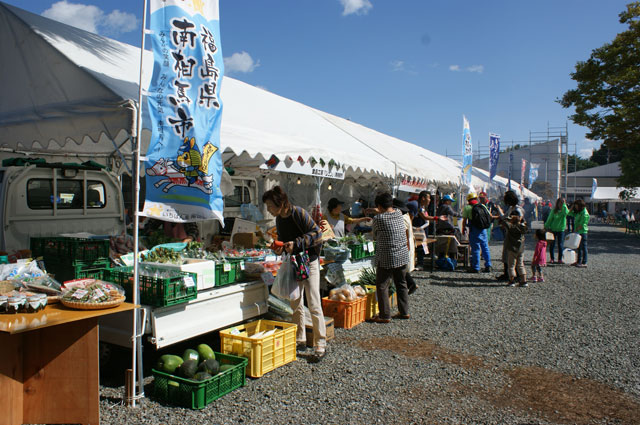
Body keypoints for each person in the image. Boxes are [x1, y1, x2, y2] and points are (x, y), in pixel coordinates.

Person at [262, 186, 327, 361]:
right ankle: (300, 339)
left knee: (313, 302)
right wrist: (280, 248)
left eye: (270, 206)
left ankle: (320, 344)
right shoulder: (279, 220)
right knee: (295, 303)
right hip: (294, 263)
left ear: (281, 203)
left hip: (309, 261)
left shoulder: (299, 213)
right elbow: (285, 243)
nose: (269, 210)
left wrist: (296, 243)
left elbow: (317, 234)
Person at [369, 192, 410, 323]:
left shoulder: (378, 219)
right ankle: (404, 312)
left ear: (379, 206)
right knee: (401, 283)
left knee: (382, 285)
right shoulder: (399, 213)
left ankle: (385, 315)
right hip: (402, 254)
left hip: (387, 256)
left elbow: (374, 236)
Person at [495, 190, 525, 281]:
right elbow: (505, 217)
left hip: (514, 235)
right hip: (512, 234)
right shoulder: (514, 208)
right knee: (510, 254)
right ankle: (513, 275)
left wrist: (505, 222)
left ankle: (512, 276)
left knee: (511, 255)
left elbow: (511, 221)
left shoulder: (516, 210)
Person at [406, 191, 439, 270]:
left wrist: (436, 218)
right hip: (415, 231)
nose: (430, 200)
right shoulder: (415, 205)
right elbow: (409, 221)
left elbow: (425, 218)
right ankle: (413, 264)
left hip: (422, 232)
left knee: (423, 247)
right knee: (414, 247)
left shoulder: (421, 207)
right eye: (429, 198)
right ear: (423, 198)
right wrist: (413, 229)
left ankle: (420, 263)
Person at [461, 192, 492, 273]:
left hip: (474, 229)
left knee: (475, 249)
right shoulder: (482, 206)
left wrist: (463, 229)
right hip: (483, 229)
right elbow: (490, 216)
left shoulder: (467, 207)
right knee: (485, 247)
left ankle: (476, 267)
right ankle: (488, 265)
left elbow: (464, 220)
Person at [393, 198, 418, 294]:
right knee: (401, 269)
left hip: (404, 246)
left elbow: (404, 234)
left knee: (400, 269)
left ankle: (410, 285)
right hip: (406, 246)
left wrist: (404, 247)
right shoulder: (406, 216)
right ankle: (411, 284)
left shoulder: (402, 218)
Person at [500, 209, 528, 287]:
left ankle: (511, 281)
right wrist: (521, 220)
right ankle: (524, 281)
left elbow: (504, 220)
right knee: (520, 265)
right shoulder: (522, 227)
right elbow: (525, 227)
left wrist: (509, 217)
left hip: (512, 248)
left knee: (511, 266)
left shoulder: (510, 226)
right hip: (521, 248)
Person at [544, 197, 570, 264]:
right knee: (552, 244)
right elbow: (550, 219)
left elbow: (567, 213)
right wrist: (546, 226)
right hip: (553, 229)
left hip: (561, 230)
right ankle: (552, 258)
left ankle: (560, 259)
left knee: (560, 245)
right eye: (560, 203)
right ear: (557, 203)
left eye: (562, 203)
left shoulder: (564, 210)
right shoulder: (553, 210)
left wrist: (564, 205)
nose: (561, 204)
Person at [569, 199, 590, 268]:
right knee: (578, 247)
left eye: (576, 206)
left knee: (583, 247)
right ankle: (578, 261)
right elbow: (569, 213)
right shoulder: (579, 212)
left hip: (582, 232)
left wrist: (576, 229)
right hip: (578, 231)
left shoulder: (584, 213)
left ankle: (584, 262)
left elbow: (583, 224)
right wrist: (572, 207)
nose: (576, 207)